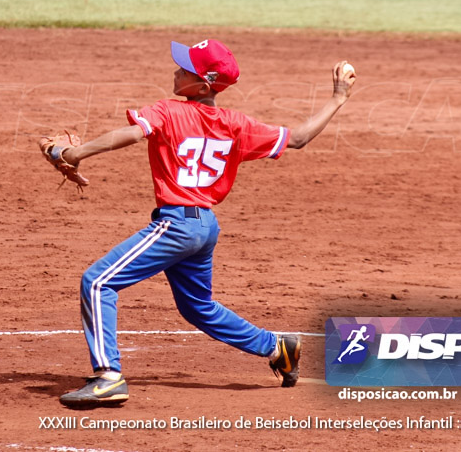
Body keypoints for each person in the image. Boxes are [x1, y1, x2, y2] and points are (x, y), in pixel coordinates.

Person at [53, 39, 357, 407]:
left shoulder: (167, 111)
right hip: (204, 228)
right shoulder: (236, 124)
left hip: (176, 226)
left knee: (98, 282)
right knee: (198, 307)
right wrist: (338, 97)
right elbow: (300, 138)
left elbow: (133, 134)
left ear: (204, 85)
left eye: (185, 69)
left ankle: (108, 376)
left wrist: (74, 153)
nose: (176, 71)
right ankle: (278, 347)